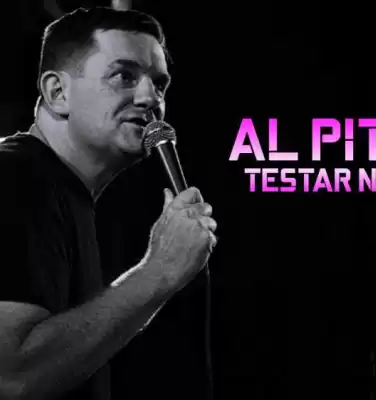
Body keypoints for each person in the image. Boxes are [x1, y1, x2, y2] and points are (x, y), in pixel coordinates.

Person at [0, 6, 217, 400]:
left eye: (159, 84)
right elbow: (11, 377)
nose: (150, 98)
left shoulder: (63, 192)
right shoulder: (16, 175)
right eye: (124, 76)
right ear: (58, 93)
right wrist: (160, 271)